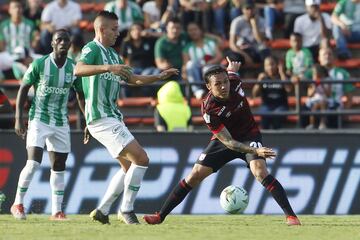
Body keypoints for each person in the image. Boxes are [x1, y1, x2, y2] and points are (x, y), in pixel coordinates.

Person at [143, 57, 301, 226]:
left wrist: (232, 69)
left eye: (225, 81)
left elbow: (232, 74)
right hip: (226, 140)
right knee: (194, 175)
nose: (224, 86)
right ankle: (160, 216)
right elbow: (229, 142)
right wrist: (255, 151)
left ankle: (291, 217)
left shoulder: (234, 82)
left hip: (249, 134)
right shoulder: (209, 109)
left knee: (260, 171)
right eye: (218, 84)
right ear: (208, 87)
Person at [74, 11, 178, 225]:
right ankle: (126, 209)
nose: (117, 33)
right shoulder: (92, 49)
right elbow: (78, 70)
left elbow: (133, 79)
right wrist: (107, 68)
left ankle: (103, 211)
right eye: (113, 29)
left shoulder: (114, 55)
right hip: (101, 118)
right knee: (142, 159)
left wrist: (158, 77)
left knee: (130, 167)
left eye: (118, 29)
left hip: (111, 117)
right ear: (101, 29)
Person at [11, 29, 84, 221]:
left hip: (61, 122)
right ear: (52, 43)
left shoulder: (73, 68)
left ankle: (56, 211)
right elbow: (23, 89)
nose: (62, 43)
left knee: (59, 165)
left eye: (65, 40)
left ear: (70, 45)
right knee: (34, 162)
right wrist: (19, 118)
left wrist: (87, 121)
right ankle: (17, 203)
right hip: (39, 119)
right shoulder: (40, 64)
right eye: (58, 39)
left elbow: (80, 94)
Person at [252, 56, 291, 129]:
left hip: (281, 106)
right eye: (267, 65)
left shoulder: (283, 76)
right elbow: (254, 94)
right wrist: (259, 82)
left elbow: (288, 89)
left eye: (272, 64)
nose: (270, 67)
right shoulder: (263, 78)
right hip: (266, 105)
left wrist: (282, 73)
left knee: (277, 117)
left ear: (277, 65)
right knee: (265, 116)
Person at [305, 64, 331, 130]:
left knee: (322, 103)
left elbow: (328, 94)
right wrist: (315, 86)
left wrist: (322, 84)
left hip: (325, 99)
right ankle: (312, 124)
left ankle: (322, 124)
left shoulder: (328, 80)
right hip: (314, 100)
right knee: (315, 106)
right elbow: (309, 94)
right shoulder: (312, 81)